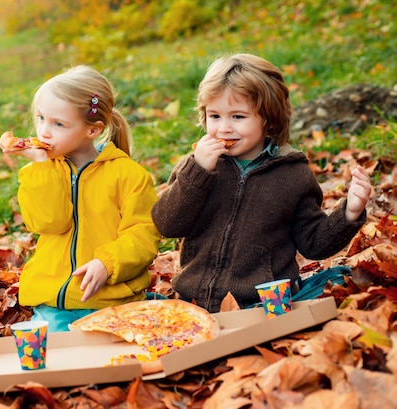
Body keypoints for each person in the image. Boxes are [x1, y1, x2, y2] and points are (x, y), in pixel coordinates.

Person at [151, 53, 372, 313]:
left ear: (268, 118)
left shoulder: (292, 174)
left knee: (339, 279)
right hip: (195, 300)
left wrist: (350, 212)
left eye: (238, 117)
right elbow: (166, 224)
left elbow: (314, 243)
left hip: (262, 304)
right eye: (214, 116)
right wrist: (197, 173)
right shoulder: (196, 166)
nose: (223, 128)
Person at [0, 65, 161, 332]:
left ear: (93, 130)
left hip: (109, 299)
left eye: (58, 124)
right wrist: (41, 167)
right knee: (57, 352)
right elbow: (49, 223)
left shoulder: (129, 175)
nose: (44, 132)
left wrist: (107, 264)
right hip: (54, 302)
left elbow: (143, 236)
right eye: (41, 118)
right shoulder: (43, 170)